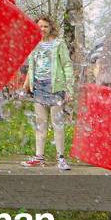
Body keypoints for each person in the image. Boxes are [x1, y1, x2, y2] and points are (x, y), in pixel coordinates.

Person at [21, 16, 74, 170]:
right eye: (40, 26)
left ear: (51, 27)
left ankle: (61, 158)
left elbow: (67, 65)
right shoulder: (34, 44)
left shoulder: (58, 44)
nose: (42, 29)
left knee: (57, 124)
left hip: (55, 87)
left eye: (45, 26)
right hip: (38, 87)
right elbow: (31, 67)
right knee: (40, 124)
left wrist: (69, 89)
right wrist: (26, 85)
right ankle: (39, 156)